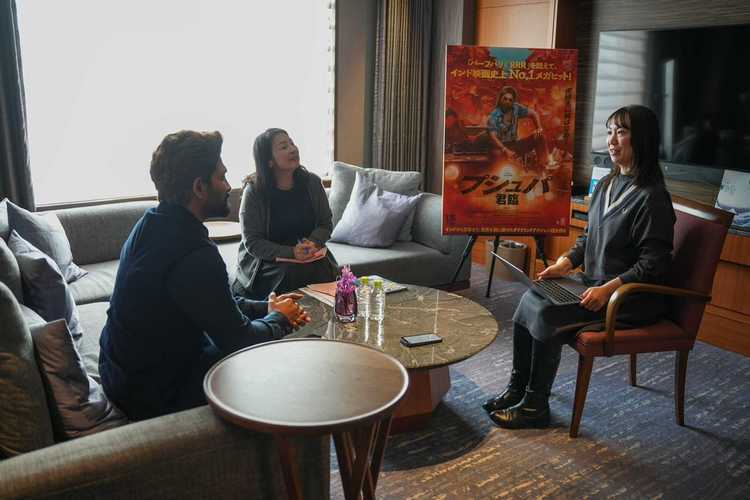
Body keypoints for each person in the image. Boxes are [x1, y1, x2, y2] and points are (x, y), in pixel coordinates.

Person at [483, 105, 676, 429]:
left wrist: (608, 290)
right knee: (531, 298)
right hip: (592, 284)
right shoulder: (605, 186)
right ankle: (517, 389)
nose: (611, 141)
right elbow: (588, 237)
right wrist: (564, 264)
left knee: (546, 312)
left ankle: (535, 406)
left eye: (621, 132)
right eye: (610, 131)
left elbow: (653, 263)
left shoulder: (653, 197)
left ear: (642, 138)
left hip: (629, 298)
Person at [99, 130, 310, 421]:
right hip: (152, 392)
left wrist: (267, 308)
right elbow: (239, 340)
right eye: (222, 177)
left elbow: (214, 303)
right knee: (283, 360)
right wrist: (280, 319)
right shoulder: (194, 254)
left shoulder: (152, 222)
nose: (228, 186)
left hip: (118, 371)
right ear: (199, 187)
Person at [232, 128, 337, 300]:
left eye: (292, 143)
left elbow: (325, 223)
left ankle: (325, 316)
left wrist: (313, 242)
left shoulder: (312, 182)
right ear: (269, 161)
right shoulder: (255, 191)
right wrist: (291, 252)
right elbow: (252, 242)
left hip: (310, 255)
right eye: (283, 147)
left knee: (322, 269)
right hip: (268, 261)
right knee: (290, 273)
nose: (293, 149)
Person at [487, 85, 550, 169]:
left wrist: (539, 128)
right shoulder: (494, 115)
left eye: (510, 100)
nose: (507, 101)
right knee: (498, 158)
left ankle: (543, 167)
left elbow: (534, 114)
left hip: (514, 144)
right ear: (500, 99)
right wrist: (505, 150)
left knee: (539, 136)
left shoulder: (516, 108)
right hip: (500, 147)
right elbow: (493, 137)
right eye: (505, 99)